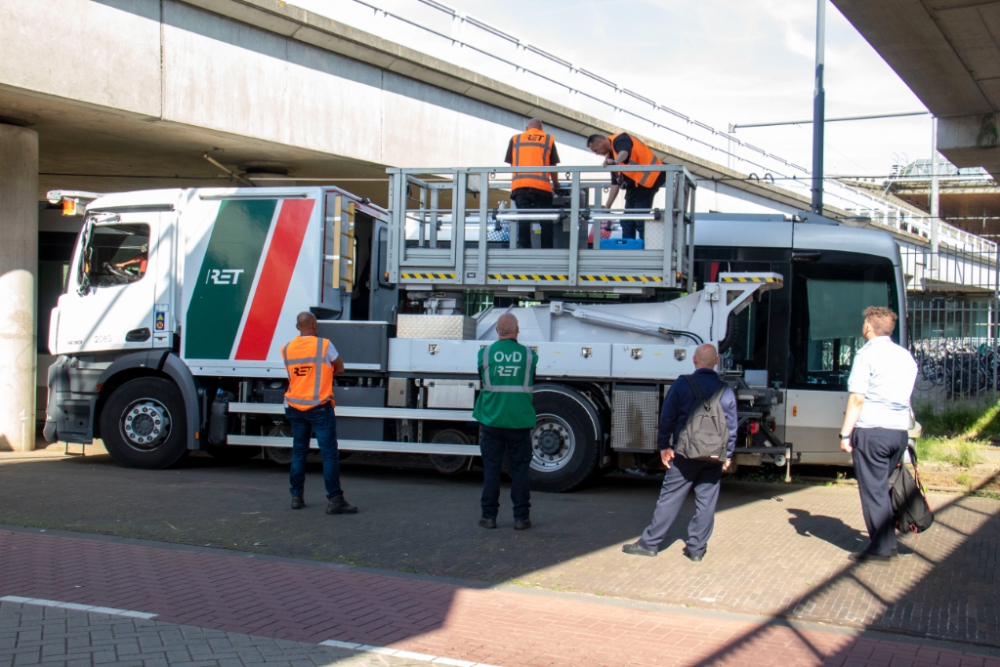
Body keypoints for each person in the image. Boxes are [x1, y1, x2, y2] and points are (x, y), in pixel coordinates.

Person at [622, 344, 737, 561]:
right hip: (713, 455)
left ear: (694, 361)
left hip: (684, 454)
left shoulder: (682, 384)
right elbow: (731, 426)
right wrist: (728, 454)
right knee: (707, 501)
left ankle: (650, 543)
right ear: (716, 363)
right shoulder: (726, 390)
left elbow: (667, 417)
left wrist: (664, 446)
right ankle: (696, 550)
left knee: (670, 498)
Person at [839, 306, 917, 563]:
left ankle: (881, 547)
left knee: (873, 491)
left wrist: (845, 434)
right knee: (884, 488)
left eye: (864, 323)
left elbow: (858, 398)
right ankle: (889, 542)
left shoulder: (866, 354)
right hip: (898, 432)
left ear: (869, 327)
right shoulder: (905, 356)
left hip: (872, 431)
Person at [281, 311, 357, 515]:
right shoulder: (323, 345)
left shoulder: (286, 349)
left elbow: (293, 375)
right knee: (329, 454)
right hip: (320, 407)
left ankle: (296, 497)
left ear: (298, 327)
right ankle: (335, 500)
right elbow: (340, 368)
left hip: (295, 406)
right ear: (314, 325)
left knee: (298, 451)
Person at [473, 313, 538, 530]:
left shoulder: (485, 354)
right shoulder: (529, 355)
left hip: (492, 419)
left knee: (491, 468)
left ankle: (489, 517)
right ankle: (521, 518)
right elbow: (531, 380)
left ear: (497, 331)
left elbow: (482, 378)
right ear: (517, 330)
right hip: (519, 420)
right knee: (519, 470)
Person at [587, 133, 665, 240]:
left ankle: (647, 249)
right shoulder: (610, 156)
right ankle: (629, 248)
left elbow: (624, 152)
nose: (596, 154)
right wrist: (607, 207)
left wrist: (615, 162)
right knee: (627, 221)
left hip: (650, 178)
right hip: (635, 186)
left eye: (596, 150)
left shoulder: (620, 139)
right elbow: (615, 183)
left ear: (601, 142)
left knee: (640, 220)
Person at [505, 118, 561, 249]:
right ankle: (547, 250)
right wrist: (556, 185)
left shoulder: (515, 139)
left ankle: (524, 248)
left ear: (526, 128)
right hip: (542, 188)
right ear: (541, 128)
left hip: (520, 186)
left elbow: (511, 162)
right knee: (546, 221)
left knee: (524, 218)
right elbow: (553, 166)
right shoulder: (548, 139)